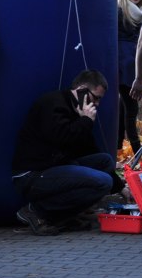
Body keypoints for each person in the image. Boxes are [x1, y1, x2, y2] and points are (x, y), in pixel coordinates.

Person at [12, 70, 130, 235]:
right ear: (81, 90)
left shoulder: (79, 110)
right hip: (33, 173)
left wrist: (121, 188)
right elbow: (62, 139)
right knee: (103, 182)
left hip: (55, 167)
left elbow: (88, 148)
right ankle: (37, 210)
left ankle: (63, 216)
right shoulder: (54, 104)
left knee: (104, 161)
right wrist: (85, 121)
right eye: (95, 98)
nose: (97, 104)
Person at [117, 0, 142, 154]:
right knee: (131, 107)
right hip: (123, 64)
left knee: (125, 106)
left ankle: (118, 147)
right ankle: (137, 150)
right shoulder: (119, 11)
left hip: (135, 62)